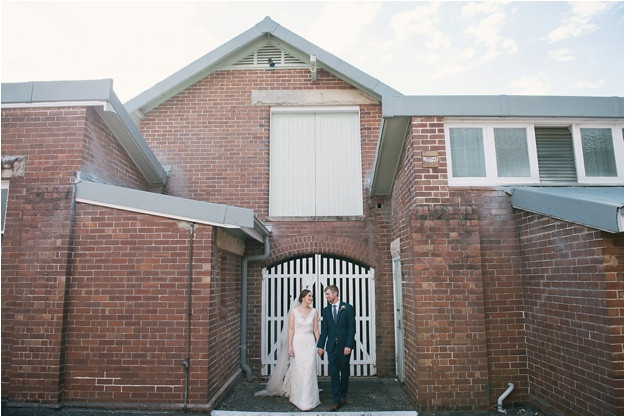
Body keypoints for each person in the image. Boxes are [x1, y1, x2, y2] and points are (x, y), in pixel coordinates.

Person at [255, 289, 321, 411]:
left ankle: (308, 398)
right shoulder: (294, 312)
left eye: (311, 296)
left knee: (309, 368)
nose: (311, 298)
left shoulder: (314, 311)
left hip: (309, 342)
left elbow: (316, 329)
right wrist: (290, 346)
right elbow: (291, 329)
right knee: (299, 368)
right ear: (302, 298)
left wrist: (320, 344)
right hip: (298, 341)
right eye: (309, 296)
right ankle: (297, 396)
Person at [317, 285, 356, 411]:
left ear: (335, 293)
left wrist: (348, 345)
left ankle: (343, 395)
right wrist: (320, 346)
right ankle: (336, 400)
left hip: (345, 347)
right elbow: (325, 330)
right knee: (334, 374)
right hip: (332, 347)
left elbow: (351, 328)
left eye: (328, 294)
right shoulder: (326, 310)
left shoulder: (348, 308)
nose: (326, 297)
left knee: (344, 373)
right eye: (326, 295)